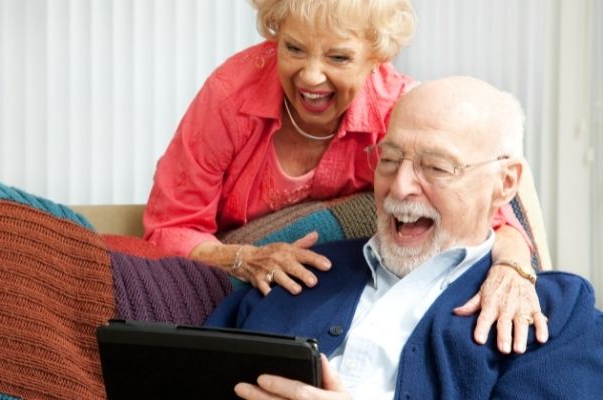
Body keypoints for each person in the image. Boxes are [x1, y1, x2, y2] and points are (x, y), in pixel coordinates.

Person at [144, 0, 546, 353]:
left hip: (331, 290)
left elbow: (492, 212)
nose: (311, 77)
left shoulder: (400, 110)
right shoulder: (231, 95)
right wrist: (245, 258)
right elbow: (170, 225)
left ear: (376, 57)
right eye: (294, 48)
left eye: (338, 58)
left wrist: (515, 271)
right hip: (236, 281)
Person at [205, 76, 603, 400]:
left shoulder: (558, 312)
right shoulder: (301, 271)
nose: (400, 187)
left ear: (505, 183)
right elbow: (186, 372)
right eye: (390, 160)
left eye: (436, 166)